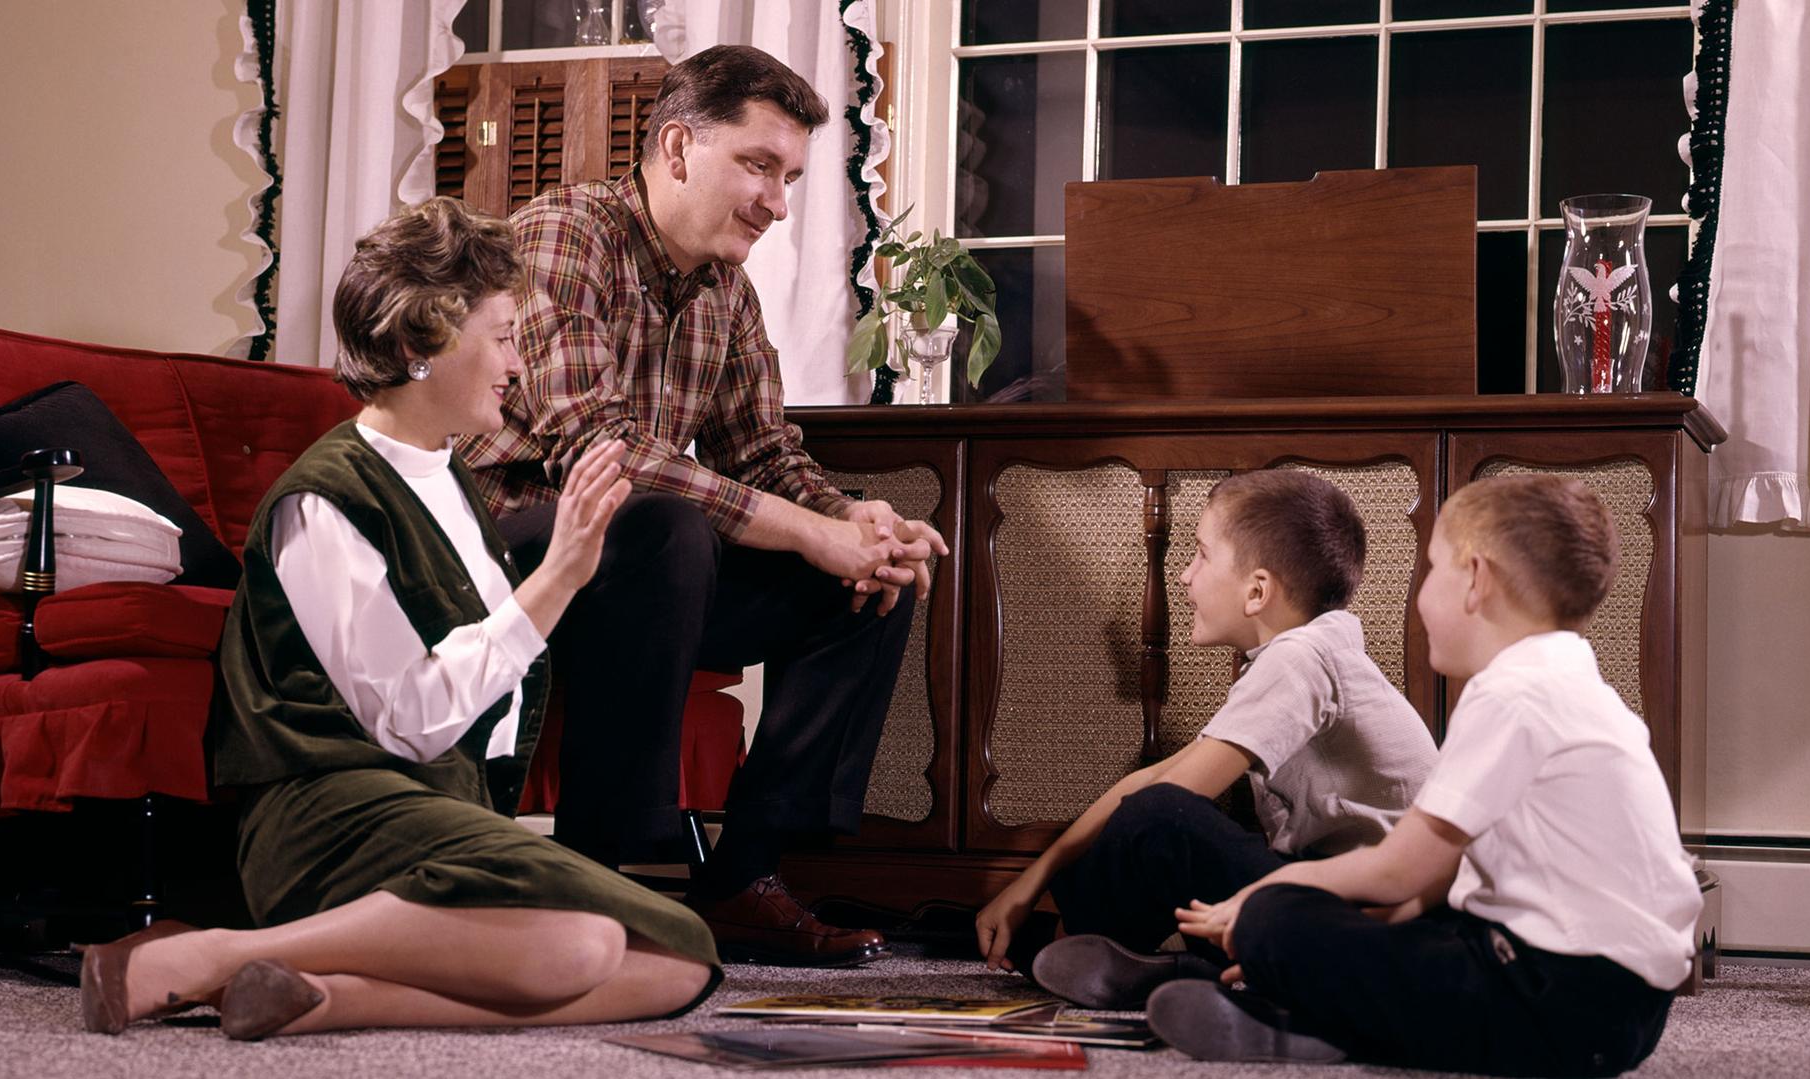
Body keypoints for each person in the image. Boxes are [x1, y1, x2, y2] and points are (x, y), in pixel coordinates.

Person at [78, 198, 719, 1040]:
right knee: (585, 944)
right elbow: (410, 720)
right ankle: (208, 956)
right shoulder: (325, 500)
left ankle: (321, 997)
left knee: (680, 963)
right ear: (420, 345)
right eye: (501, 336)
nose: (519, 364)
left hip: (443, 814)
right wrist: (556, 580)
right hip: (333, 818)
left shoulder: (450, 482)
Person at [460, 44, 944, 967]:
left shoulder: (728, 290)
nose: (777, 202)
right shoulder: (563, 234)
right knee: (658, 520)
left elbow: (763, 452)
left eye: (791, 176)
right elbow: (599, 450)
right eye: (758, 166)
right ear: (677, 148)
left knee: (875, 577)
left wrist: (850, 523)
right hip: (506, 554)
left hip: (634, 572)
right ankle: (602, 878)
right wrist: (809, 530)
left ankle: (745, 877)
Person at [1163, 474, 1702, 1075]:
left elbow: (1399, 869)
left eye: (1432, 569)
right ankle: (1307, 994)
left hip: (1565, 1003)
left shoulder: (1513, 694)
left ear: (1475, 580)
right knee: (1335, 926)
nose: (1420, 597)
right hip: (1615, 1004)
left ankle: (1311, 1021)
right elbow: (1437, 883)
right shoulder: (1566, 681)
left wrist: (1261, 901)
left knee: (1274, 918)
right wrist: (1332, 941)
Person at [976, 470, 1438, 1008]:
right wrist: (1031, 881)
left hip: (1367, 924)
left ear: (1257, 591)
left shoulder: (1301, 658)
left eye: (1200, 555)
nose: (1184, 576)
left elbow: (1164, 799)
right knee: (1157, 808)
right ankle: (1118, 957)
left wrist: (1038, 887)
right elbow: (1153, 775)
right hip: (1339, 907)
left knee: (1162, 820)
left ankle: (1071, 950)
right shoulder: (1307, 653)